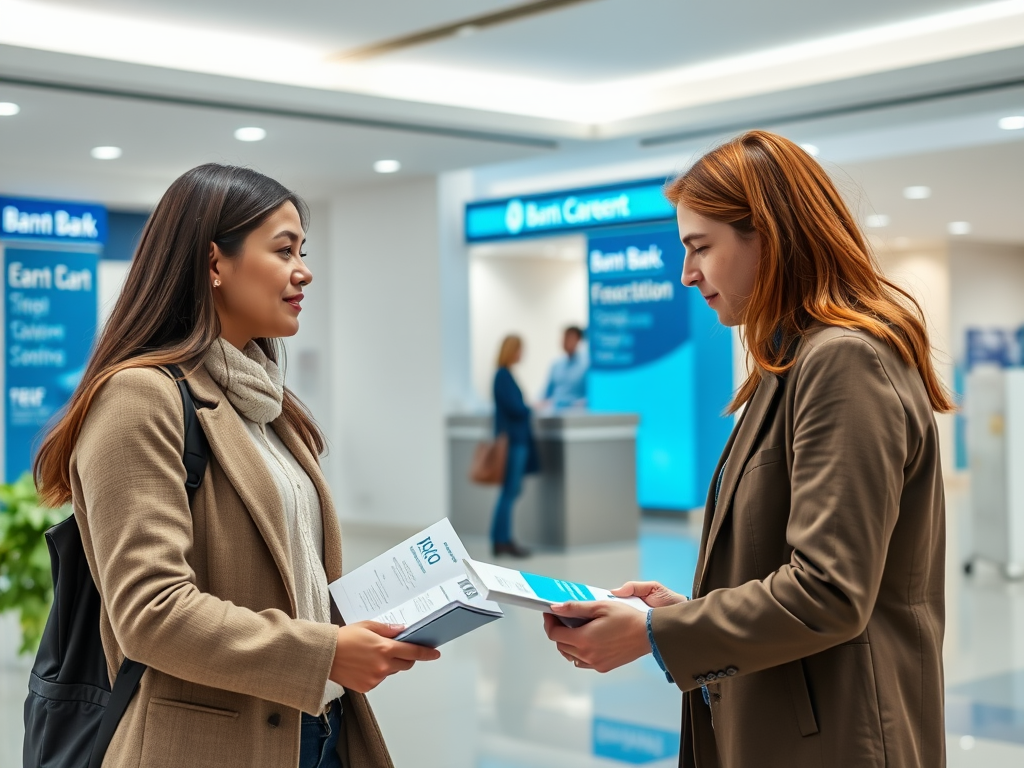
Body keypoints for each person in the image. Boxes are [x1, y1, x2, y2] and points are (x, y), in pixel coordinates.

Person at [540, 131, 952, 768]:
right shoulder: (791, 362)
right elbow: (790, 562)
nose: (687, 274)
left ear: (770, 235)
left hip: (842, 737)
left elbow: (829, 591)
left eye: (700, 247)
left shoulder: (842, 360)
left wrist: (654, 634)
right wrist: (686, 611)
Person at [34, 164, 439, 768]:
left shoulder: (262, 400)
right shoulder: (139, 397)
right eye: (284, 250)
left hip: (319, 729)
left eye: (303, 250)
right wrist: (323, 654)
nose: (304, 271)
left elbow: (288, 574)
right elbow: (150, 611)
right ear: (215, 263)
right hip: (208, 743)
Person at [490, 334, 539, 557]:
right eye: (519, 350)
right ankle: (502, 539)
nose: (522, 354)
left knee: (510, 491)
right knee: (509, 492)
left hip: (516, 440)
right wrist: (531, 407)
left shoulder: (505, 375)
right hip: (514, 442)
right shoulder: (503, 376)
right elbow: (516, 408)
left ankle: (502, 539)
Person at [541, 325, 588, 410]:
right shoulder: (556, 365)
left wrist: (583, 403)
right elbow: (546, 393)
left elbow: (592, 394)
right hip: (556, 414)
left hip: (577, 414)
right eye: (564, 338)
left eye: (569, 338)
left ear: (578, 340)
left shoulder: (586, 365)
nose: (565, 341)